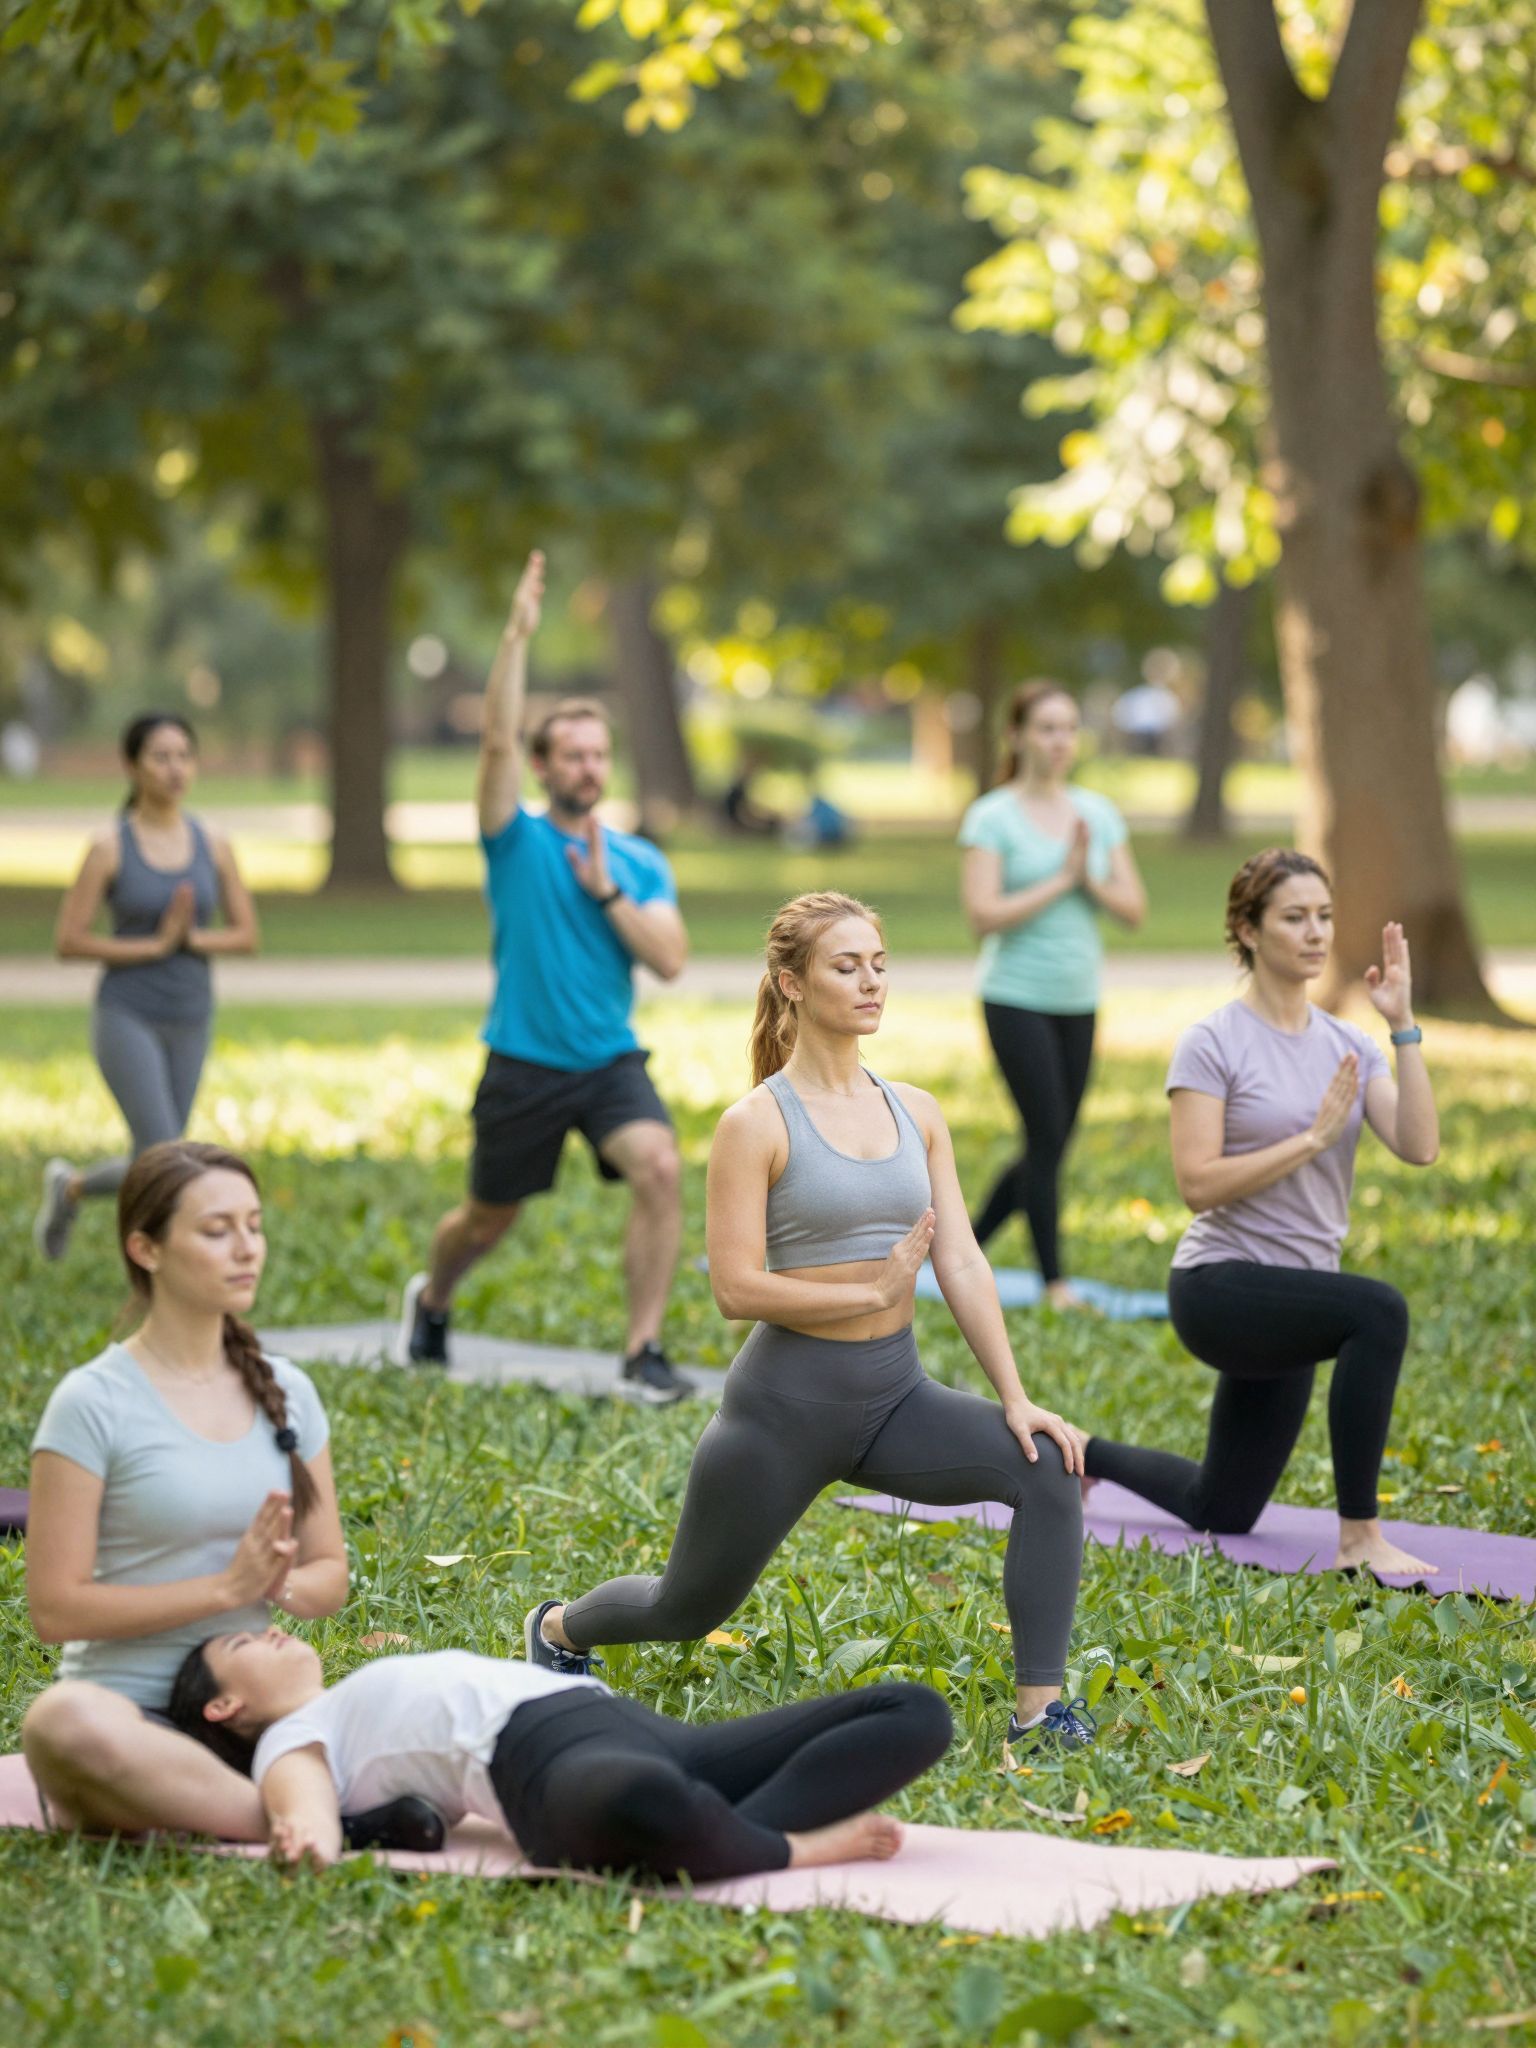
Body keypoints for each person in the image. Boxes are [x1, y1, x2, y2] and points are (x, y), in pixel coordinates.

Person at [525, 892, 1097, 1760]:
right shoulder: (754, 1123)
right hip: (783, 1411)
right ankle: (560, 1630)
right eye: (846, 966)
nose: (871, 982)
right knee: (688, 1608)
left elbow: (965, 1263)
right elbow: (735, 1288)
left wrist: (1016, 1399)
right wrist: (866, 1296)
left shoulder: (917, 1110)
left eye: (879, 963)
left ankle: (1040, 1714)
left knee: (1047, 1465)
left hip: (896, 1397)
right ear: (791, 984)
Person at [1082, 850, 1441, 1577]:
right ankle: (1360, 1537)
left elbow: (1419, 1144)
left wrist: (1403, 1029)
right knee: (1378, 1311)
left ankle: (1085, 1452)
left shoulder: (1349, 1044)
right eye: (1294, 918)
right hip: (1220, 1287)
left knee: (1223, 1507)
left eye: (1325, 917)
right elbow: (1198, 1183)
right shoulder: (1212, 1042)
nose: (1315, 933)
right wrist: (1307, 1140)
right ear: (1248, 930)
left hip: (1296, 1300)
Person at [397, 552, 692, 1404]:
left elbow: (670, 959)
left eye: (600, 754)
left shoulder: (635, 861)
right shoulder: (514, 841)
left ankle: (642, 1348)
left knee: (661, 1167)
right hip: (523, 1060)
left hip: (608, 1062)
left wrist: (606, 893)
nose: (589, 768)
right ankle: (435, 1297)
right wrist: (517, 635)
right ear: (542, 765)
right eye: (571, 754)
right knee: (487, 1220)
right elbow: (493, 738)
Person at [21, 1142, 347, 1841]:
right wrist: (226, 1591)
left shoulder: (289, 1392)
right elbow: (54, 1609)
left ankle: (264, 1805)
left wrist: (276, 1583)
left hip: (256, 1719)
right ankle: (290, 1817)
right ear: (146, 1248)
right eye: (216, 1230)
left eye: (254, 1226)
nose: (246, 1249)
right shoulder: (91, 1403)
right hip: (127, 1721)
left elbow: (330, 1577)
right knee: (58, 1723)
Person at [169, 1631, 953, 1880]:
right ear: (223, 1706)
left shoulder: (346, 1697)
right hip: (541, 1767)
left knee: (916, 1712)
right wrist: (306, 1838)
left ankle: (720, 1837)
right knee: (645, 1798)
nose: (271, 1630)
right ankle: (788, 1848)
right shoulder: (287, 1739)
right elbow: (303, 1807)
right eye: (246, 1642)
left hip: (628, 1723)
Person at [35, 712, 259, 1261]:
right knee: (166, 1155)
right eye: (161, 757)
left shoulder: (214, 842)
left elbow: (247, 933)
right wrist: (153, 947)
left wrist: (190, 940)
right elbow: (69, 940)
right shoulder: (110, 846)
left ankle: (71, 1188)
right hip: (127, 1012)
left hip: (191, 1012)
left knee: (158, 1158)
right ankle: (156, 1278)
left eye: (184, 755)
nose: (175, 768)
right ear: (133, 767)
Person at [959, 683, 1146, 1309]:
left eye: (1068, 728)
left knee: (1053, 1142)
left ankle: (968, 1242)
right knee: (1044, 1137)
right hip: (1014, 995)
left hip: (1079, 997)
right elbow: (983, 914)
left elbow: (1134, 909)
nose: (1060, 741)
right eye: (1045, 728)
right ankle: (1053, 1281)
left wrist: (1085, 878)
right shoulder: (992, 816)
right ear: (1016, 736)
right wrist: (1061, 880)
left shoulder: (1097, 813)